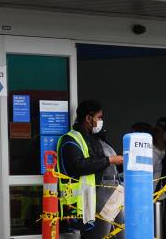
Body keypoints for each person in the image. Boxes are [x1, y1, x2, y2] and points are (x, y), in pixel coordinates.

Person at [56, 100, 124, 238]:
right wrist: (110, 160)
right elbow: (79, 166)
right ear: (88, 118)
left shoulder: (94, 138)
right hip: (89, 203)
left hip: (107, 197)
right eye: (99, 117)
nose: (101, 121)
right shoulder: (70, 140)